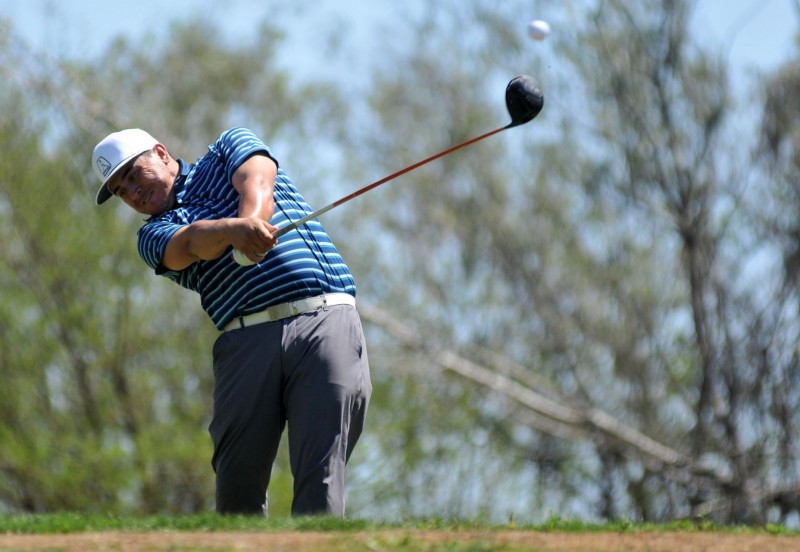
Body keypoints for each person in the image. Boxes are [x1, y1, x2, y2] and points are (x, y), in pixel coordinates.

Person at [91, 127, 372, 516]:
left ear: (161, 153)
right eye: (122, 191)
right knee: (237, 491)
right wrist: (232, 231)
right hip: (245, 343)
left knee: (320, 477)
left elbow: (257, 179)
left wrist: (251, 221)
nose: (133, 193)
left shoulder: (227, 146)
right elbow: (189, 243)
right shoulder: (151, 235)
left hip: (323, 320)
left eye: (134, 175)